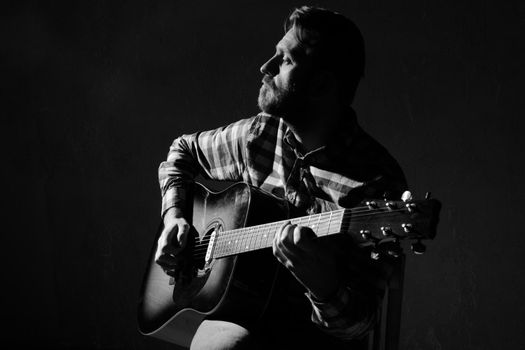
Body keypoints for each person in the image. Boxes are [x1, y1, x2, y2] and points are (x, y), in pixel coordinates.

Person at [156, 5, 407, 350]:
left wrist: (324, 285)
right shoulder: (259, 134)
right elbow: (181, 153)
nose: (265, 68)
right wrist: (175, 218)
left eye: (285, 60)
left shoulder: (377, 182)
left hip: (313, 338)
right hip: (244, 310)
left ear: (321, 84)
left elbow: (358, 325)